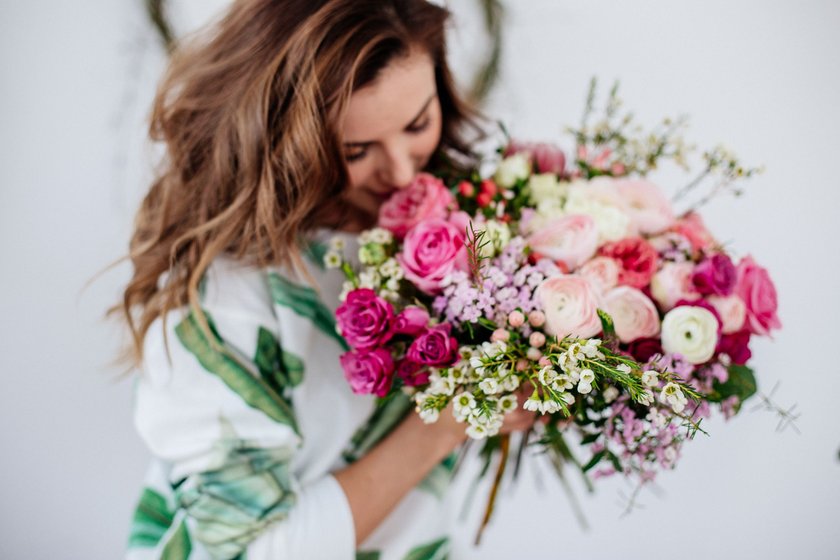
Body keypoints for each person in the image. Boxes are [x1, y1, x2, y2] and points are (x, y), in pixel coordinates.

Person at [117, 1, 534, 558]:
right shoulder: (228, 302)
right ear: (283, 142)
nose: (402, 172)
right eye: (355, 151)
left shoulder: (454, 227)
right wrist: (447, 423)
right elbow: (245, 551)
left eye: (418, 123)